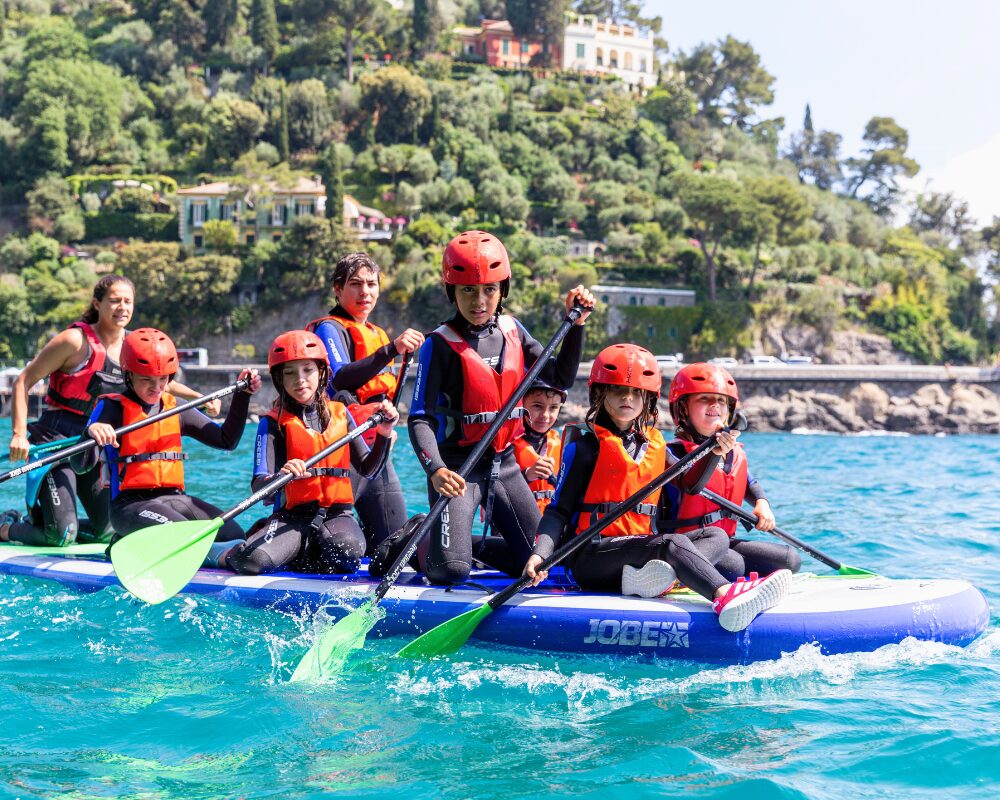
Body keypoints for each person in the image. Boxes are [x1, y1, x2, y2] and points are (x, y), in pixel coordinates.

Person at [524, 345, 791, 633]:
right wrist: (540, 554)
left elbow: (690, 484)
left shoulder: (653, 444)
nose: (628, 398)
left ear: (648, 399)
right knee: (669, 544)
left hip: (636, 550)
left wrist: (714, 452)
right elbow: (558, 511)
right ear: (600, 393)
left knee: (716, 536)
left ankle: (652, 579)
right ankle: (725, 595)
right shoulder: (586, 445)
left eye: (636, 392)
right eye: (618, 390)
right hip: (591, 556)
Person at [398, 230, 594, 585]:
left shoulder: (512, 330)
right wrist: (435, 469)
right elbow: (420, 418)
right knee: (451, 572)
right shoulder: (438, 345)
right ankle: (417, 540)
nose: (479, 301)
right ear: (452, 292)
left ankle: (459, 544)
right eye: (468, 291)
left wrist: (576, 325)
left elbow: (561, 377)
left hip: (505, 465)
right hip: (458, 470)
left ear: (502, 290)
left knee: (541, 560)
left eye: (489, 290)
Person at [1, 276, 221, 546]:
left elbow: (162, 381)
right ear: (97, 303)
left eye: (128, 301)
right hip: (55, 442)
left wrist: (199, 398)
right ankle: (6, 526)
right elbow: (23, 381)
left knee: (110, 530)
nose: (122, 307)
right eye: (115, 300)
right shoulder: (74, 341)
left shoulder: (133, 345)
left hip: (93, 444)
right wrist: (18, 434)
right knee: (61, 535)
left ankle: (59, 524)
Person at [220, 330, 399, 576]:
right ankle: (225, 552)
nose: (300, 379)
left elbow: (369, 469)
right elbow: (258, 485)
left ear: (322, 372)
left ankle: (303, 553)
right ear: (279, 379)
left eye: (307, 370)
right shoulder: (271, 423)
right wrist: (281, 476)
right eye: (290, 373)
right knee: (253, 561)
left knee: (346, 553)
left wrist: (384, 434)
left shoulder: (341, 414)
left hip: (337, 515)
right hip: (291, 518)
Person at [69, 328, 260, 544]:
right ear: (128, 375)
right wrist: (90, 433)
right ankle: (124, 540)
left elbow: (227, 440)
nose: (157, 387)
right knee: (183, 536)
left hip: (174, 499)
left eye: (163, 379)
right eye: (147, 379)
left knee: (233, 535)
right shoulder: (111, 408)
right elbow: (80, 466)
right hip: (129, 505)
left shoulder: (177, 408)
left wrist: (243, 396)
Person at [306, 252, 423, 552]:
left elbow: (385, 395)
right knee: (338, 547)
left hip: (377, 452)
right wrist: (392, 350)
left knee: (395, 546)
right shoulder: (329, 329)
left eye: (371, 284)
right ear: (338, 289)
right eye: (355, 284)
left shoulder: (376, 335)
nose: (365, 292)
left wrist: (388, 431)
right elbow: (341, 378)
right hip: (342, 453)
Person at [660, 362, 801, 582]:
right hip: (684, 544)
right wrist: (713, 452)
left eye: (721, 400)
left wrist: (762, 503)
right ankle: (668, 575)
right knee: (734, 565)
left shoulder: (733, 453)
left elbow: (749, 482)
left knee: (789, 560)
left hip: (724, 541)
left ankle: (704, 572)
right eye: (704, 398)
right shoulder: (672, 453)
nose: (714, 405)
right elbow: (690, 482)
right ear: (683, 408)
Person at [512, 381, 567, 515]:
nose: (545, 415)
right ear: (521, 404)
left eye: (553, 407)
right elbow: (491, 490)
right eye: (537, 406)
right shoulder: (506, 446)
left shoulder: (563, 446)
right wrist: (526, 476)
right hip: (514, 520)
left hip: (549, 522)